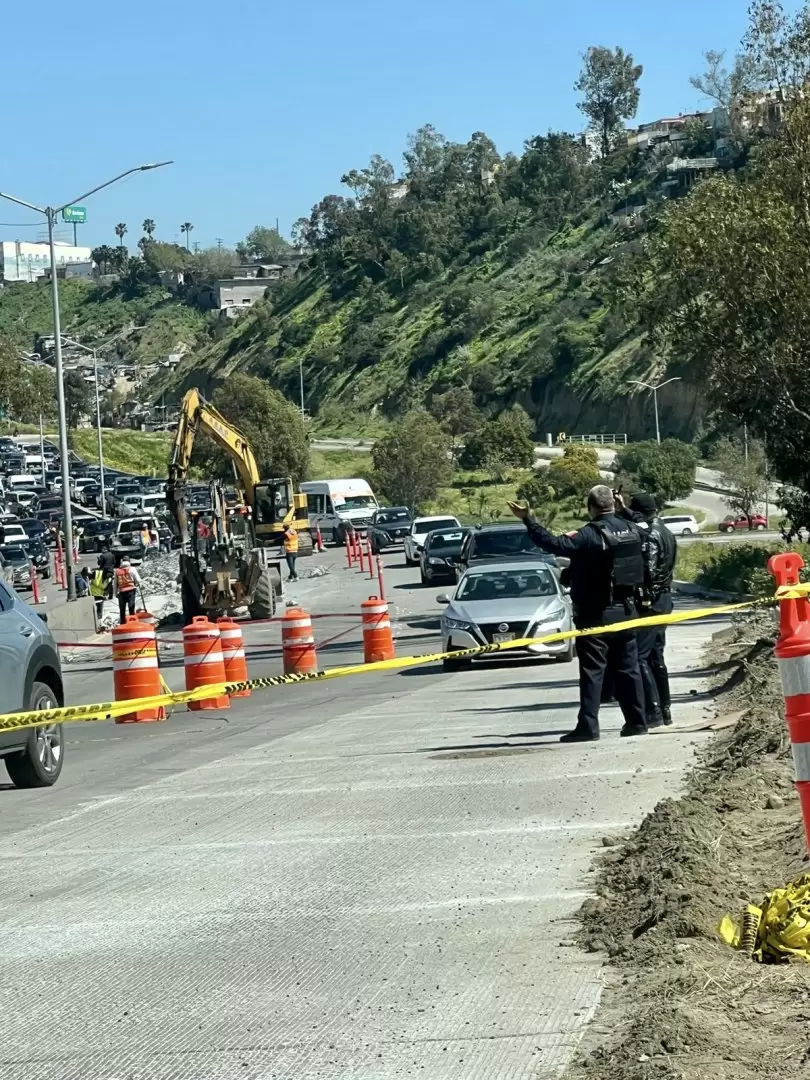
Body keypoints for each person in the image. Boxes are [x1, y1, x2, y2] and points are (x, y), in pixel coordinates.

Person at [508, 485, 648, 742]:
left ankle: (588, 727)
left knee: (593, 672)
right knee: (629, 670)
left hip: (595, 615)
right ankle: (637, 722)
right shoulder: (632, 529)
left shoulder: (589, 535)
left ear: (590, 508)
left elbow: (553, 543)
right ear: (613, 505)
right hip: (627, 611)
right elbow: (648, 534)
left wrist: (528, 519)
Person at [617, 492, 677, 727]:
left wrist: (638, 590)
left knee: (641, 656)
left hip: (650, 602)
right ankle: (665, 709)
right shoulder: (664, 530)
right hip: (664, 599)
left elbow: (649, 571)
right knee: (656, 655)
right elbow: (641, 521)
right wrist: (624, 510)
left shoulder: (650, 536)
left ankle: (652, 711)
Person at [113, 558, 141, 624]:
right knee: (131, 607)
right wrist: (136, 584)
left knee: (122, 609)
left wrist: (115, 593)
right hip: (131, 591)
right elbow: (138, 580)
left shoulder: (117, 571)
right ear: (129, 561)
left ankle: (123, 623)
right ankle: (132, 623)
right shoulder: (132, 569)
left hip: (121, 592)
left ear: (122, 562)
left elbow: (115, 583)